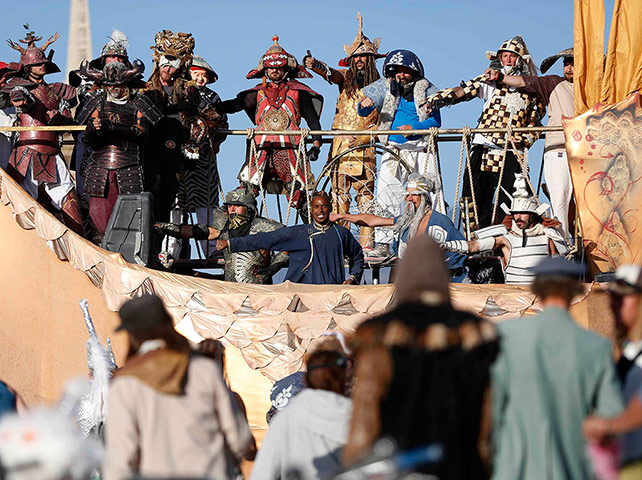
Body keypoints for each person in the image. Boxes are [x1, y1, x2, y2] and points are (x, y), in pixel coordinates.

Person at [343, 235, 499, 479]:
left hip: (399, 467)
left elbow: (366, 411)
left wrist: (355, 462)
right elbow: (489, 416)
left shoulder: (379, 333)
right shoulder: (475, 332)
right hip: (461, 466)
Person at [490, 256, 624, 480]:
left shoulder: (507, 336)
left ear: (537, 288)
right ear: (575, 290)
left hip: (515, 468)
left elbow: (494, 407)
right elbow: (611, 416)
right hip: (572, 468)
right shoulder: (596, 347)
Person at [104, 295, 254, 480]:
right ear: (168, 324)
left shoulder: (125, 385)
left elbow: (121, 460)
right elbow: (240, 440)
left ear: (132, 335)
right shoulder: (205, 371)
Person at [426, 36, 545, 231]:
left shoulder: (532, 90)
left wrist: (524, 138)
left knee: (513, 199)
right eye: (504, 56)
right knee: (472, 196)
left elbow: (536, 123)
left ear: (521, 60)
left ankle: (505, 238)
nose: (507, 60)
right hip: (483, 147)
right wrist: (435, 100)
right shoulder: (490, 82)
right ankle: (475, 239)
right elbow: (462, 91)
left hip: (512, 151)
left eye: (512, 56)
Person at [216, 35, 323, 217]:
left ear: (286, 69)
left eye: (278, 67)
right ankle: (243, 237)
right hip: (260, 150)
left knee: (300, 193)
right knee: (247, 192)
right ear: (265, 70)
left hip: (289, 150)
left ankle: (315, 237)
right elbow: (235, 105)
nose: (274, 71)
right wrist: (211, 106)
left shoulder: (298, 92)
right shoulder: (257, 93)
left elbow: (313, 120)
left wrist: (316, 145)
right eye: (271, 67)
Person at [304, 12, 384, 249]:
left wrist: (361, 137)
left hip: (365, 144)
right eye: (355, 57)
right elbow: (332, 73)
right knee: (339, 197)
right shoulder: (345, 80)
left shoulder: (381, 85)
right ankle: (340, 242)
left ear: (371, 59)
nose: (359, 60)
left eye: (363, 57)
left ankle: (367, 244)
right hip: (339, 145)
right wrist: (317, 66)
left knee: (366, 196)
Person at [357, 49, 443, 257]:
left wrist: (413, 129)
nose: (401, 75)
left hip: (422, 148)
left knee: (431, 193)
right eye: (398, 71)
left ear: (414, 72)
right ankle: (385, 244)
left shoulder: (428, 91)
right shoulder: (386, 87)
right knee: (386, 194)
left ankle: (438, 241)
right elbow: (364, 110)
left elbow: (435, 122)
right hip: (393, 148)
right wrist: (364, 105)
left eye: (406, 71)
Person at [2, 28, 83, 235]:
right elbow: (21, 100)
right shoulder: (18, 86)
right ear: (28, 67)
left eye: (43, 63)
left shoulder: (56, 89)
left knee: (68, 197)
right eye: (38, 64)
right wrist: (22, 101)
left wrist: (59, 118)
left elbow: (66, 119)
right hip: (26, 153)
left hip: (52, 151)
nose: (42, 66)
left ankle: (79, 241)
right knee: (22, 200)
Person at [487, 48, 575, 239]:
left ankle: (586, 247)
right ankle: (561, 244)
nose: (569, 68)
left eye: (573, 64)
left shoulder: (599, 90)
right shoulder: (554, 83)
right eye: (566, 64)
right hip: (559, 147)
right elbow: (522, 81)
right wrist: (500, 76)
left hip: (588, 151)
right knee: (559, 198)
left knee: (587, 201)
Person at [75, 60, 161, 242]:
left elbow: (141, 132)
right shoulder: (97, 101)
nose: (113, 88)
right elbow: (88, 138)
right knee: (98, 223)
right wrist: (93, 128)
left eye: (117, 85)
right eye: (108, 85)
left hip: (129, 167)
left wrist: (111, 126)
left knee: (129, 221)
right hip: (99, 167)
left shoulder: (139, 102)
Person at [250, 336, 353, 480]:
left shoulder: (287, 417)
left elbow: (263, 474)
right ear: (346, 376)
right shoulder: (362, 417)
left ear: (309, 376)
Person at [332, 173, 466, 280]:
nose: (408, 199)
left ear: (424, 197)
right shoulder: (405, 222)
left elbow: (460, 251)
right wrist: (342, 217)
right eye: (407, 195)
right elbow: (372, 221)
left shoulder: (440, 222)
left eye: (414, 195)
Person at [443, 174, 568, 284]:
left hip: (540, 299)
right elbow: (473, 246)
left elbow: (558, 271)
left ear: (532, 215)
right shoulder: (505, 240)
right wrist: (445, 245)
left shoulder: (547, 238)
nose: (518, 217)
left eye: (523, 213)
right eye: (515, 213)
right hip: (513, 301)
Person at [216, 192, 364, 285]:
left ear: (330, 208)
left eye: (324, 206)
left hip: (332, 295)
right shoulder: (299, 233)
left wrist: (353, 278)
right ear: (311, 210)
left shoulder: (341, 233)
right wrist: (230, 243)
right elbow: (262, 239)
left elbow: (357, 255)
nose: (320, 210)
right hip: (302, 296)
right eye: (316, 207)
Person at [155, 186, 288, 283]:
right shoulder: (224, 229)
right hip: (231, 291)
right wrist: (163, 227)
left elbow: (290, 241)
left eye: (237, 206)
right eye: (230, 206)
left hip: (259, 291)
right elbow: (196, 231)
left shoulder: (264, 227)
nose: (232, 209)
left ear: (248, 208)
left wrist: (270, 270)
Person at [583, 264, 642, 479]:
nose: (614, 306)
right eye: (612, 299)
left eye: (623, 299)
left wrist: (608, 426)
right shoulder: (629, 350)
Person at [144, 30, 201, 224]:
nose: (168, 69)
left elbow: (205, 115)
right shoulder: (145, 88)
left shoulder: (188, 89)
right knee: (148, 196)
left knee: (169, 199)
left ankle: (161, 245)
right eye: (165, 64)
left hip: (175, 150)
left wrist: (195, 136)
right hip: (148, 149)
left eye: (173, 65)